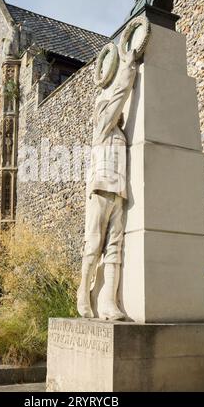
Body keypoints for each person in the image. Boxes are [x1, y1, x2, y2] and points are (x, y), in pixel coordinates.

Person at [77, 49, 137, 321]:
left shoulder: (120, 135)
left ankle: (109, 303)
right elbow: (119, 96)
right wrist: (128, 65)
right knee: (93, 245)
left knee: (114, 248)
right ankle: (82, 292)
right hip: (100, 189)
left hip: (118, 192)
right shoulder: (102, 127)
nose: (119, 115)